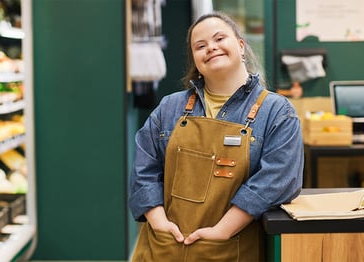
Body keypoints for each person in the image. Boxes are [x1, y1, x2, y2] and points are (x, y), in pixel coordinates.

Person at [128, 11, 304, 261]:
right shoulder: (170, 108)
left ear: (241, 45)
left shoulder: (277, 112)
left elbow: (279, 179)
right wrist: (159, 223)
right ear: (195, 60)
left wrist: (222, 230)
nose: (211, 47)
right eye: (200, 46)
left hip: (231, 248)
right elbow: (143, 169)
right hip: (164, 247)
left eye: (219, 39)